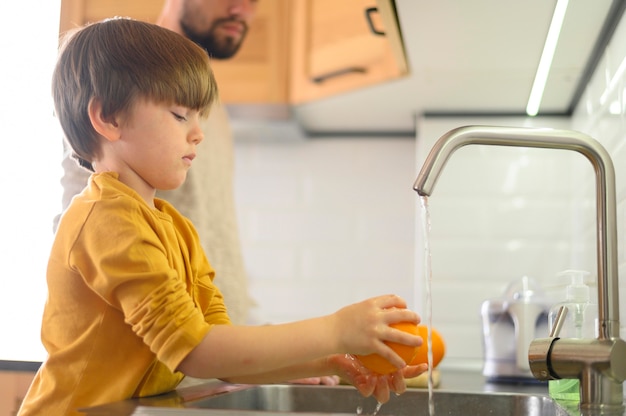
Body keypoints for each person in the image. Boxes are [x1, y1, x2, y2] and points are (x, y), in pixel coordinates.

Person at [18, 18, 427, 416]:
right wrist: (335, 330)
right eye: (180, 115)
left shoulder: (175, 228)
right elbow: (196, 351)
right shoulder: (106, 220)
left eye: (200, 117)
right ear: (108, 117)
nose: (198, 133)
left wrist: (333, 360)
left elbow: (218, 351)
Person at [56, 0, 256, 327]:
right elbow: (84, 223)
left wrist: (259, 353)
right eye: (179, 115)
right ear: (108, 118)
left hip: (214, 352)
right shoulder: (120, 78)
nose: (242, 10)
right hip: (157, 346)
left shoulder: (212, 110)